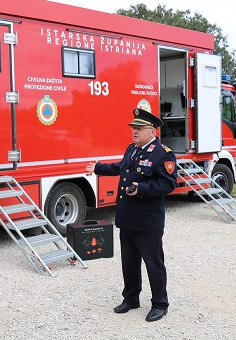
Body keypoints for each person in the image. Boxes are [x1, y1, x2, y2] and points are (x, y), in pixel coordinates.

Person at [86, 107, 177, 322]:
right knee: (129, 262)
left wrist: (142, 189)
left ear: (152, 131)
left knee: (153, 263)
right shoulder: (132, 149)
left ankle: (160, 303)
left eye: (139, 128)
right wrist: (98, 167)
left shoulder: (163, 153)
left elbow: (168, 183)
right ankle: (131, 298)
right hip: (127, 217)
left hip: (147, 220)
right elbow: (121, 167)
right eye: (133, 128)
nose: (134, 132)